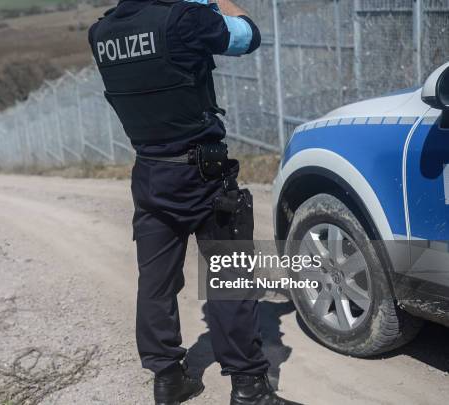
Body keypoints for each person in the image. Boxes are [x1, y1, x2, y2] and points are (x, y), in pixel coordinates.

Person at [89, 1, 303, 404]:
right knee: (229, 277)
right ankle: (249, 388)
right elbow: (248, 35)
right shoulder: (186, 18)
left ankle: (168, 380)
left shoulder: (100, 35)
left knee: (156, 282)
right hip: (202, 173)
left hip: (150, 173)